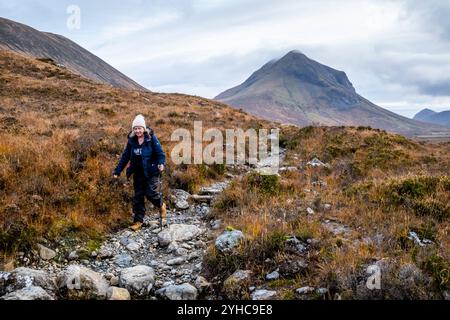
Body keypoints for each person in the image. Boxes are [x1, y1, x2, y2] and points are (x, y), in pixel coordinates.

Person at [113, 114, 167, 231]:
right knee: (138, 197)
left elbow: (160, 154)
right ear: (133, 129)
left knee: (151, 193)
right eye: (135, 128)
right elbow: (125, 156)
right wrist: (117, 171)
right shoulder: (132, 140)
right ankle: (138, 221)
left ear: (144, 128)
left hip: (152, 171)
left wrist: (161, 163)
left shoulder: (151, 138)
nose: (137, 131)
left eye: (139, 128)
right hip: (138, 173)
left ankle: (161, 205)